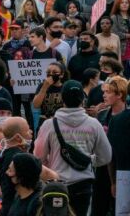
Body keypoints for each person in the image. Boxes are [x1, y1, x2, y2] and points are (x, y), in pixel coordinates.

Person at [34, 80, 112, 216]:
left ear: (62, 100)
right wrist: (89, 160)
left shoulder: (49, 124)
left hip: (57, 183)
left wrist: (50, 163)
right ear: (82, 99)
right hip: (83, 183)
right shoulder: (94, 124)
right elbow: (106, 157)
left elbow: (38, 157)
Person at [91, 76, 128, 216]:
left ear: (120, 95)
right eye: (104, 91)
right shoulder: (101, 115)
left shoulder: (126, 117)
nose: (104, 95)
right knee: (98, 206)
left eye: (108, 92)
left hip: (120, 168)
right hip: (102, 167)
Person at [33, 62, 67, 127]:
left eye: (54, 72)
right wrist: (45, 87)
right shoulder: (42, 86)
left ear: (61, 75)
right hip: (45, 122)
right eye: (48, 72)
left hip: (61, 122)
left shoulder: (65, 87)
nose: (51, 74)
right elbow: (36, 105)